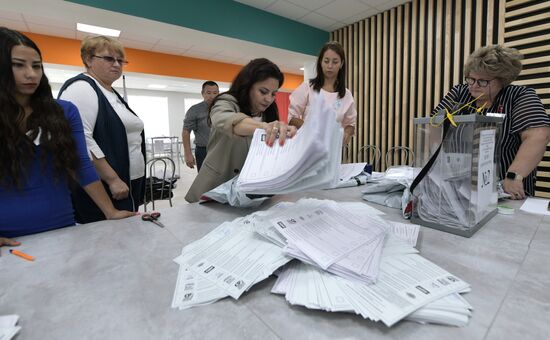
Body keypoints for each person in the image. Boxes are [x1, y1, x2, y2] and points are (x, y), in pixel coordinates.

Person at [0, 27, 135, 241]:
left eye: (36, 66)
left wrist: (110, 211)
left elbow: (80, 163)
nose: (31, 73)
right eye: (18, 65)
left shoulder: (63, 111)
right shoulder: (82, 88)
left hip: (61, 223)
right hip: (7, 234)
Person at [432, 45, 550, 199]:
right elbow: (432, 128)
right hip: (457, 188)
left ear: (502, 80)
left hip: (504, 189)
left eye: (483, 81)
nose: (474, 85)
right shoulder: (459, 93)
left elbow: (539, 135)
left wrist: (514, 176)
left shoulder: (519, 96)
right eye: (471, 79)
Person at [58, 36, 146, 223]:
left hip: (129, 180)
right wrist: (112, 179)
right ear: (89, 60)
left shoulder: (110, 92)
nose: (116, 64)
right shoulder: (81, 87)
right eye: (108, 58)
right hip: (106, 185)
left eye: (120, 60)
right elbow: (82, 141)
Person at [185, 58, 297, 203]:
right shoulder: (226, 101)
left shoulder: (269, 112)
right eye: (263, 92)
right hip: (217, 186)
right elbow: (230, 121)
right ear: (248, 86)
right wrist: (264, 127)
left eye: (273, 94)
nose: (268, 99)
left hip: (249, 191)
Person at [288, 41, 357, 145]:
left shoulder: (346, 95)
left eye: (335, 62)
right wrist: (312, 131)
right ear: (320, 62)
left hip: (332, 148)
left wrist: (347, 133)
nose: (330, 66)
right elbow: (292, 118)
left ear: (341, 64)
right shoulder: (307, 87)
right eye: (326, 61)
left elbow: (350, 124)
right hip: (306, 145)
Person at [182, 81, 219, 171]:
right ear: (202, 93)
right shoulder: (194, 110)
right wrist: (188, 154)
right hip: (203, 151)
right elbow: (186, 131)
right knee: (205, 181)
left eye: (215, 93)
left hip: (221, 149)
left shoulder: (223, 108)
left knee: (223, 181)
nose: (212, 96)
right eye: (208, 93)